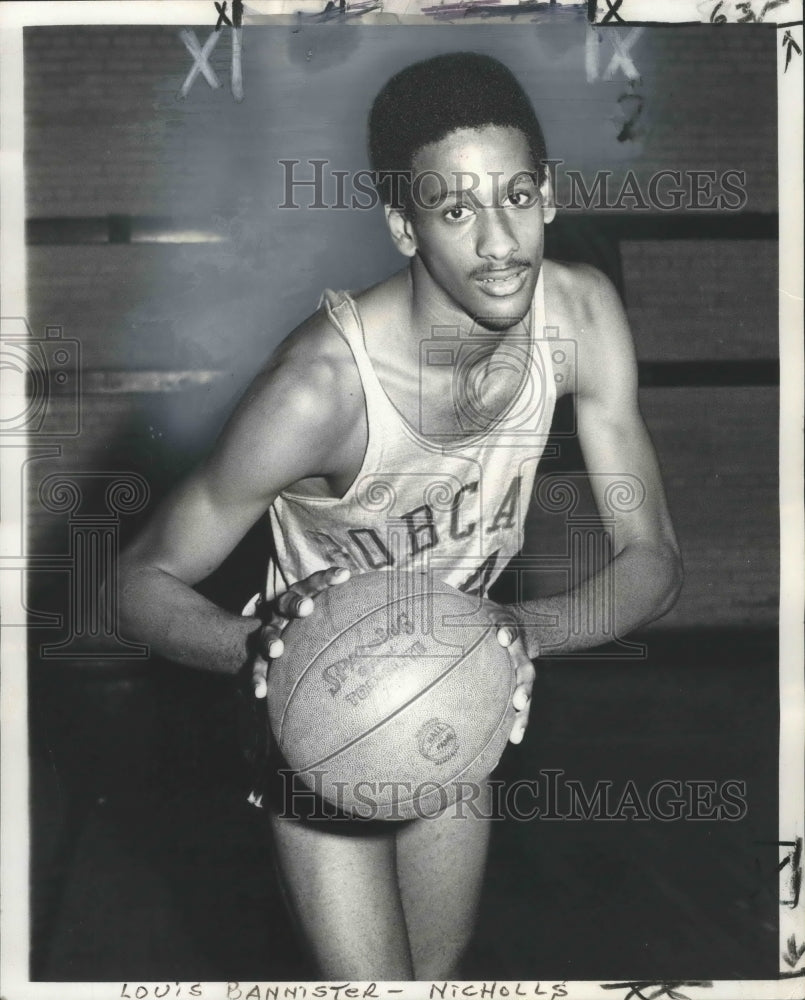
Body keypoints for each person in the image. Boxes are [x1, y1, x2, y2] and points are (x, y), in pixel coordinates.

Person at [118, 52, 682, 980]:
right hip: (320, 697)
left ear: (547, 195)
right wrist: (258, 648)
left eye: (514, 196)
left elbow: (652, 560)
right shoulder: (317, 393)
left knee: (436, 973)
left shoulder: (580, 316)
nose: (498, 241)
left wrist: (515, 631)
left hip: (454, 682)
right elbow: (138, 582)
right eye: (455, 210)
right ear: (404, 226)